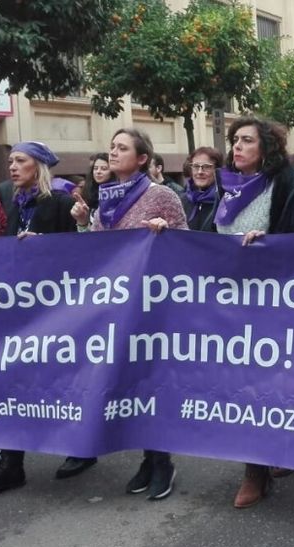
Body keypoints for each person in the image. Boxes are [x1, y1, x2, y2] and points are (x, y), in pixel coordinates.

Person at [71, 128, 188, 500]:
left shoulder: (162, 195)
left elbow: (188, 245)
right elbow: (96, 253)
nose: (113, 153)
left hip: (154, 307)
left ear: (141, 159)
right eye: (112, 147)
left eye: (122, 148)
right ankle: (146, 459)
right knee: (131, 384)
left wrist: (165, 232)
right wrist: (81, 223)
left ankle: (162, 461)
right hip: (118, 308)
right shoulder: (105, 200)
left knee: (152, 383)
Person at [0, 141, 78, 494]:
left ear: (40, 166)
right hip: (21, 312)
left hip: (59, 314)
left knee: (63, 384)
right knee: (11, 382)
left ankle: (80, 447)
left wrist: (46, 248)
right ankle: (10, 464)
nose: (13, 167)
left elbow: (86, 257)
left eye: (20, 161)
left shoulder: (61, 203)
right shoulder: (14, 203)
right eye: (10, 161)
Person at [218, 116, 294, 509]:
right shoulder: (226, 189)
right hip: (229, 304)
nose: (237, 147)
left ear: (265, 149)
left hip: (272, 304)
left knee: (268, 385)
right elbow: (204, 236)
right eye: (234, 140)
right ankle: (258, 464)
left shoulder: (287, 183)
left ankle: (266, 461)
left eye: (246, 141)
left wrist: (270, 244)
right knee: (241, 385)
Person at [177, 147, 224, 232]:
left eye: (206, 167)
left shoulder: (224, 202)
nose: (200, 172)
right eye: (195, 166)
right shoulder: (181, 201)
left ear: (217, 170)